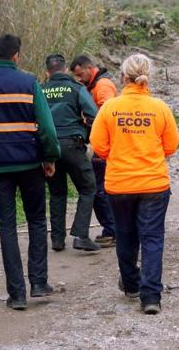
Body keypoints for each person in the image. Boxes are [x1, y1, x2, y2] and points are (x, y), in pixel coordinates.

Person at [0, 34, 60, 310]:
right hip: (30, 165)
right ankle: (39, 283)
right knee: (37, 222)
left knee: (7, 227)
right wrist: (50, 158)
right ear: (16, 56)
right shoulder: (29, 82)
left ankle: (17, 294)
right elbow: (46, 128)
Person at [90, 54, 179, 315]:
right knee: (152, 238)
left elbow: (99, 145)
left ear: (123, 77)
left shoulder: (110, 108)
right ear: (147, 77)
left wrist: (118, 154)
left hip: (119, 184)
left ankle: (131, 285)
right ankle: (151, 297)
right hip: (153, 184)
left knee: (125, 236)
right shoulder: (159, 108)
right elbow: (171, 146)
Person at [42, 54, 100, 252]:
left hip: (49, 148)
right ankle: (81, 235)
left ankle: (57, 240)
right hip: (72, 145)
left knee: (57, 192)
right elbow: (94, 115)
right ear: (66, 69)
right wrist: (88, 136)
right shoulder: (76, 88)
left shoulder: (40, 90)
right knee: (88, 187)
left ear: (47, 72)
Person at [70, 55, 118, 247]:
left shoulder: (103, 86)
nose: (79, 79)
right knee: (98, 188)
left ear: (90, 67)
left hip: (103, 147)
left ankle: (112, 231)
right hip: (100, 145)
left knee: (99, 189)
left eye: (81, 74)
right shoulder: (93, 86)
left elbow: (108, 114)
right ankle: (111, 229)